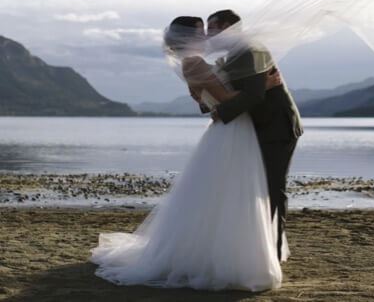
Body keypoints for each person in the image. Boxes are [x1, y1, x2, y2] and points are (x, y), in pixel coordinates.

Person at [90, 16, 284, 291]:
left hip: (231, 128)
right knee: (229, 192)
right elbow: (226, 100)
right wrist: (265, 85)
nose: (207, 37)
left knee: (223, 193)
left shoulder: (190, 63)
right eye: (201, 32)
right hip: (232, 130)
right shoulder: (194, 62)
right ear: (189, 38)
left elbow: (209, 101)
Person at [205, 9, 303, 261]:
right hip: (255, 128)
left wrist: (221, 112)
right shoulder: (235, 55)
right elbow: (233, 91)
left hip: (276, 126)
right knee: (253, 188)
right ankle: (258, 248)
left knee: (272, 188)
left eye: (212, 28)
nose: (208, 35)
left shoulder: (251, 50)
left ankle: (274, 251)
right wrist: (211, 103)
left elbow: (254, 95)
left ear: (228, 26)